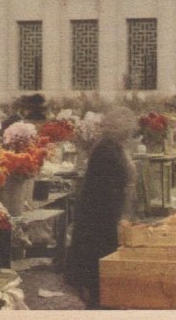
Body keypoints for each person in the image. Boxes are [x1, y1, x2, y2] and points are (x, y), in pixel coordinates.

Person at [65, 107, 135, 309]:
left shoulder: (112, 147)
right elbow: (105, 191)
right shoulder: (106, 150)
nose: (131, 132)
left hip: (103, 217)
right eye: (128, 128)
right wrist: (118, 218)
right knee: (98, 270)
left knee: (102, 273)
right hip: (99, 220)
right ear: (120, 129)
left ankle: (101, 301)